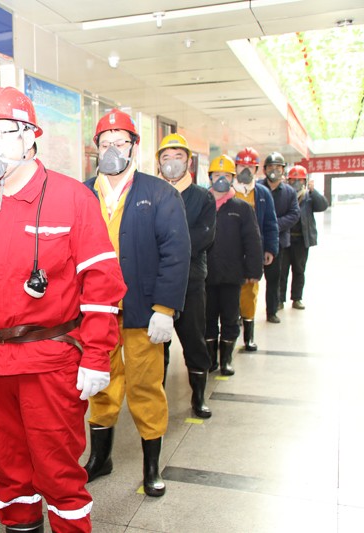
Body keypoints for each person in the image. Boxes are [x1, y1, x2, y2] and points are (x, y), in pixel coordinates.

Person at [0, 87, 126, 533]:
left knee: (58, 473)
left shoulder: (71, 198)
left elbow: (101, 286)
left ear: (29, 137)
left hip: (51, 361)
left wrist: (96, 355)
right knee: (7, 469)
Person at [82, 109, 190, 497]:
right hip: (96, 312)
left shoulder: (159, 193)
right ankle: (100, 458)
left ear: (134, 147)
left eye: (121, 142)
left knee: (146, 385)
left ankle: (151, 466)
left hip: (143, 311)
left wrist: (165, 309)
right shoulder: (82, 194)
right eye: (105, 143)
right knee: (100, 383)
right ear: (96, 148)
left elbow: (176, 254)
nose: (113, 150)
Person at [157, 133, 215, 418]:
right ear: (158, 163)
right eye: (166, 157)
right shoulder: (152, 193)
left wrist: (168, 246)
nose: (172, 162)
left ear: (189, 161)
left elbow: (205, 236)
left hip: (191, 281)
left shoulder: (203, 197)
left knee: (194, 339)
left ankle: (199, 397)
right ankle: (157, 400)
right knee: (158, 343)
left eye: (178, 157)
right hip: (158, 282)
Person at [204, 155, 263, 375]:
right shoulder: (202, 205)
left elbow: (253, 241)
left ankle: (226, 359)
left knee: (230, 318)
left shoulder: (242, 208)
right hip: (206, 275)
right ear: (210, 177)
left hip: (232, 274)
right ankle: (211, 359)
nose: (221, 179)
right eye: (217, 175)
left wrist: (254, 270)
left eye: (226, 175)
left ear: (232, 178)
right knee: (208, 318)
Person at [232, 148, 278, 351]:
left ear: (257, 169)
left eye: (250, 167)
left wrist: (270, 249)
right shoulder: (225, 190)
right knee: (227, 293)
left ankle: (248, 337)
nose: (245, 170)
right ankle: (228, 336)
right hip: (228, 252)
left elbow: (270, 223)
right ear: (235, 167)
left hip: (252, 251)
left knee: (250, 293)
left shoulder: (262, 194)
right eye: (242, 166)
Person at [279, 164, 328, 310]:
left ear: (304, 181)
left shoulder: (308, 196)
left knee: (299, 270)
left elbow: (322, 206)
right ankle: (280, 300)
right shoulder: (285, 195)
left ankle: (297, 298)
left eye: (299, 180)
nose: (296, 183)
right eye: (293, 180)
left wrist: (314, 191)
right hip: (285, 239)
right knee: (282, 271)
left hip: (301, 240)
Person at [258, 152, 299, 323]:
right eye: (270, 167)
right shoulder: (257, 189)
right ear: (264, 170)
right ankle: (242, 314)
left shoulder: (289, 192)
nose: (274, 170)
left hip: (278, 242)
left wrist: (273, 225)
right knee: (247, 280)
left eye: (278, 167)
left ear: (283, 170)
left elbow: (294, 214)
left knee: (274, 278)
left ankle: (272, 311)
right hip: (256, 240)